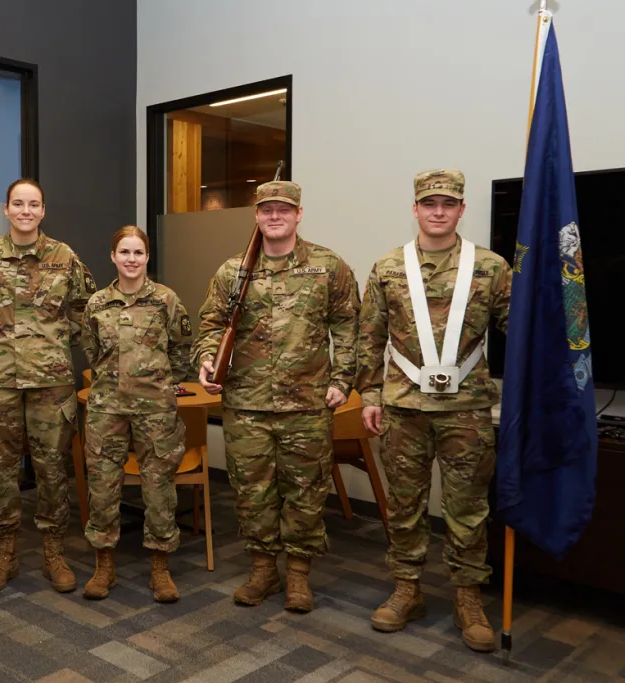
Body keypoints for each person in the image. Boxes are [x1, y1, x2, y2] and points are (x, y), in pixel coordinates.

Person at [355, 169, 512, 653]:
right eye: (429, 203)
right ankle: (407, 588)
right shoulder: (387, 268)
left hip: (466, 409)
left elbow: (521, 332)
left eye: (448, 203)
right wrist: (370, 395)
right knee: (405, 507)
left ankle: (468, 598)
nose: (438, 211)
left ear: (462, 209)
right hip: (403, 408)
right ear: (416, 209)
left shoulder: (491, 267)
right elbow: (370, 337)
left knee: (468, 508)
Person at [193, 180, 360, 612]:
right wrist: (208, 360)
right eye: (266, 210)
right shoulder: (233, 272)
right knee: (252, 492)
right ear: (256, 216)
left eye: (283, 210)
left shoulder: (327, 266)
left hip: (306, 405)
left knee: (305, 492)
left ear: (298, 214)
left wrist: (343, 379)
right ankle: (264, 570)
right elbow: (211, 324)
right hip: (246, 405)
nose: (274, 216)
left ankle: (299, 577)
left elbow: (348, 327)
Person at [0, 179, 96, 594]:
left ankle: (54, 552)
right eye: (17, 204)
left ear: (42, 210)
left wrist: (55, 345)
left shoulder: (64, 256)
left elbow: (85, 310)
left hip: (50, 382)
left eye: (33, 204)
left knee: (53, 470)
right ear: (6, 210)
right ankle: (5, 553)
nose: (25, 211)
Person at [79, 226, 191, 603]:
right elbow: (92, 351)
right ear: (113, 256)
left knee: (159, 488)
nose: (131, 259)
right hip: (107, 409)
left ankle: (160, 567)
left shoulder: (166, 300)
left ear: (147, 258)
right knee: (102, 488)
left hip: (155, 411)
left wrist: (159, 383)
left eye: (138, 252)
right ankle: (104, 565)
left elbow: (181, 348)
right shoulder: (97, 303)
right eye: (124, 252)